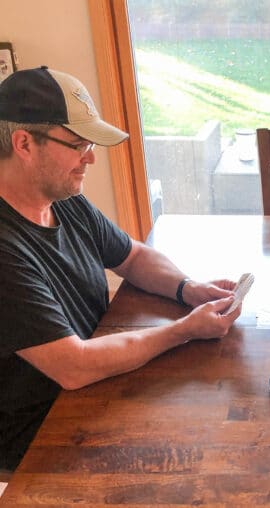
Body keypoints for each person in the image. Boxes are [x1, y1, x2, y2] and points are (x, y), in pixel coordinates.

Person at [0, 66, 242, 472]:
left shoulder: (61, 197)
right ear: (24, 143)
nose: (91, 158)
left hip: (101, 392)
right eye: (78, 144)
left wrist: (188, 289)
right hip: (43, 440)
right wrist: (183, 330)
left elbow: (133, 256)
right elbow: (74, 367)